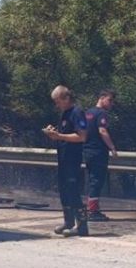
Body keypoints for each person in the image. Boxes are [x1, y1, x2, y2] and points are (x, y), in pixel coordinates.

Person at [43, 85, 88, 237]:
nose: (57, 105)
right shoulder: (64, 113)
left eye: (58, 101)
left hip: (73, 158)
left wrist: (59, 136)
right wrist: (53, 131)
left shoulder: (77, 113)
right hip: (63, 157)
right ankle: (68, 222)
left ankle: (82, 226)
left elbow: (82, 136)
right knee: (64, 190)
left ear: (67, 98)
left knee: (73, 190)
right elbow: (64, 131)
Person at [83, 89, 118, 221]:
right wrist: (112, 147)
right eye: (110, 100)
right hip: (98, 151)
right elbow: (102, 130)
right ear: (102, 98)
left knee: (93, 180)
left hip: (87, 150)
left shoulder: (88, 113)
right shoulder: (101, 113)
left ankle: (91, 208)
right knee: (97, 180)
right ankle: (92, 211)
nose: (111, 104)